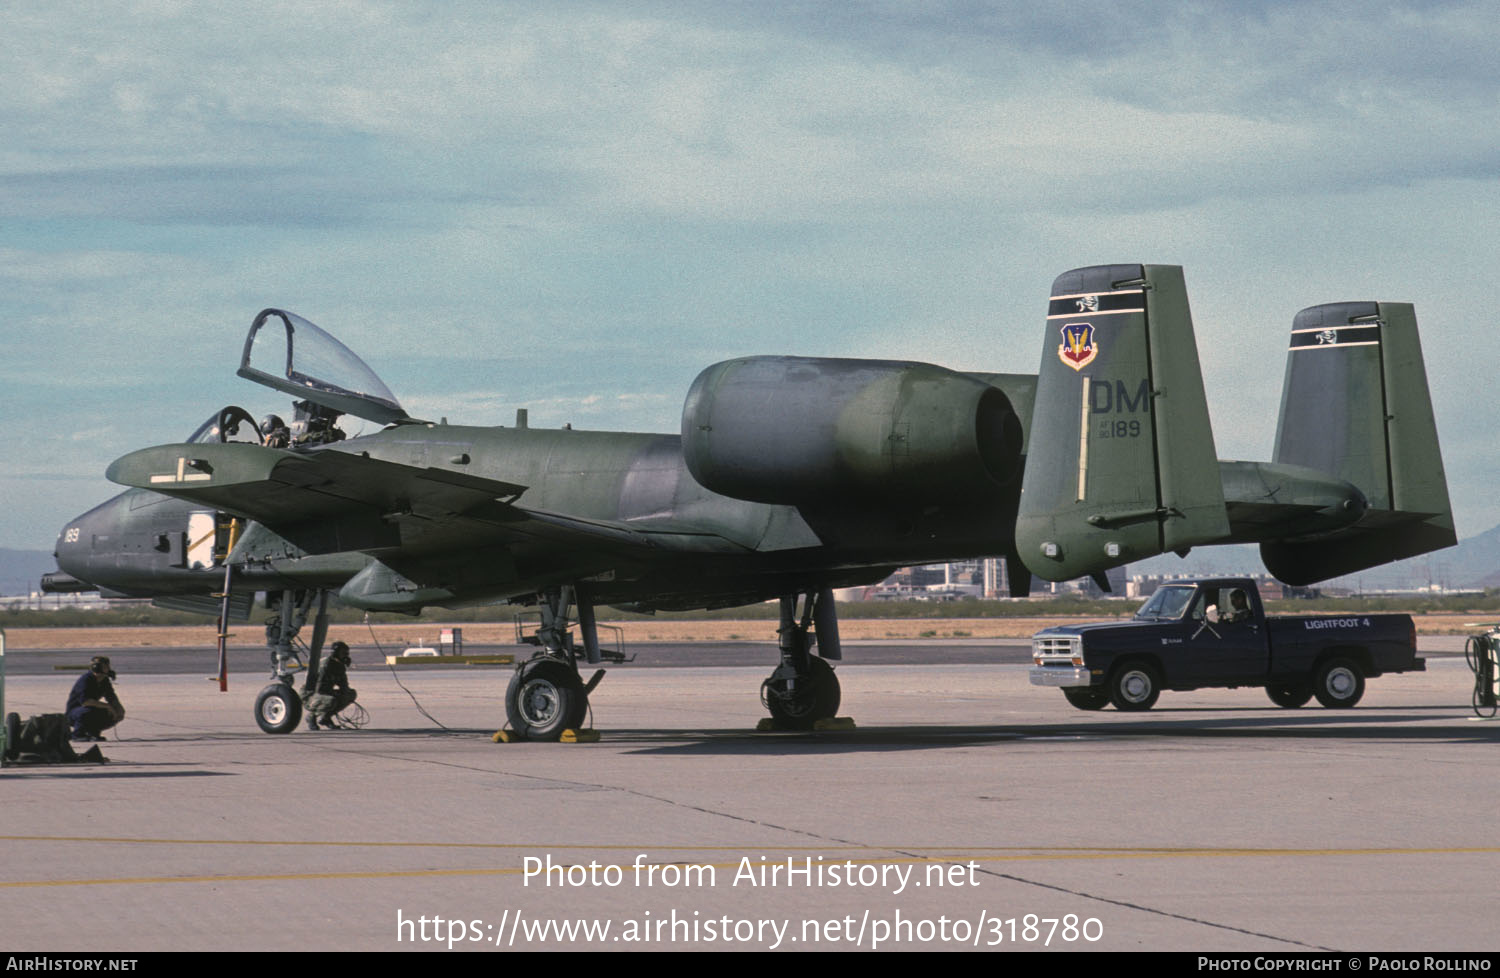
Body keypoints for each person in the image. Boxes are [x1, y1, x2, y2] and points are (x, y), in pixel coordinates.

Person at [66, 656, 125, 742]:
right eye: (104, 666)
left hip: (90, 709)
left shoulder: (104, 680)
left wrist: (118, 709)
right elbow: (85, 701)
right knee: (89, 711)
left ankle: (93, 733)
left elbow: (111, 696)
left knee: (111, 713)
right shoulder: (86, 679)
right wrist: (108, 706)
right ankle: (77, 734)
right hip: (75, 712)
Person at [306, 641, 357, 731]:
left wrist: (344, 693)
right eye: (343, 653)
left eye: (346, 653)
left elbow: (343, 686)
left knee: (350, 694)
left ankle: (326, 718)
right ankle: (311, 716)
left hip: (325, 692)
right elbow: (318, 688)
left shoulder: (339, 666)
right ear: (335, 653)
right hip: (311, 693)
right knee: (331, 700)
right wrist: (333, 694)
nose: (346, 656)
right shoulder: (325, 665)